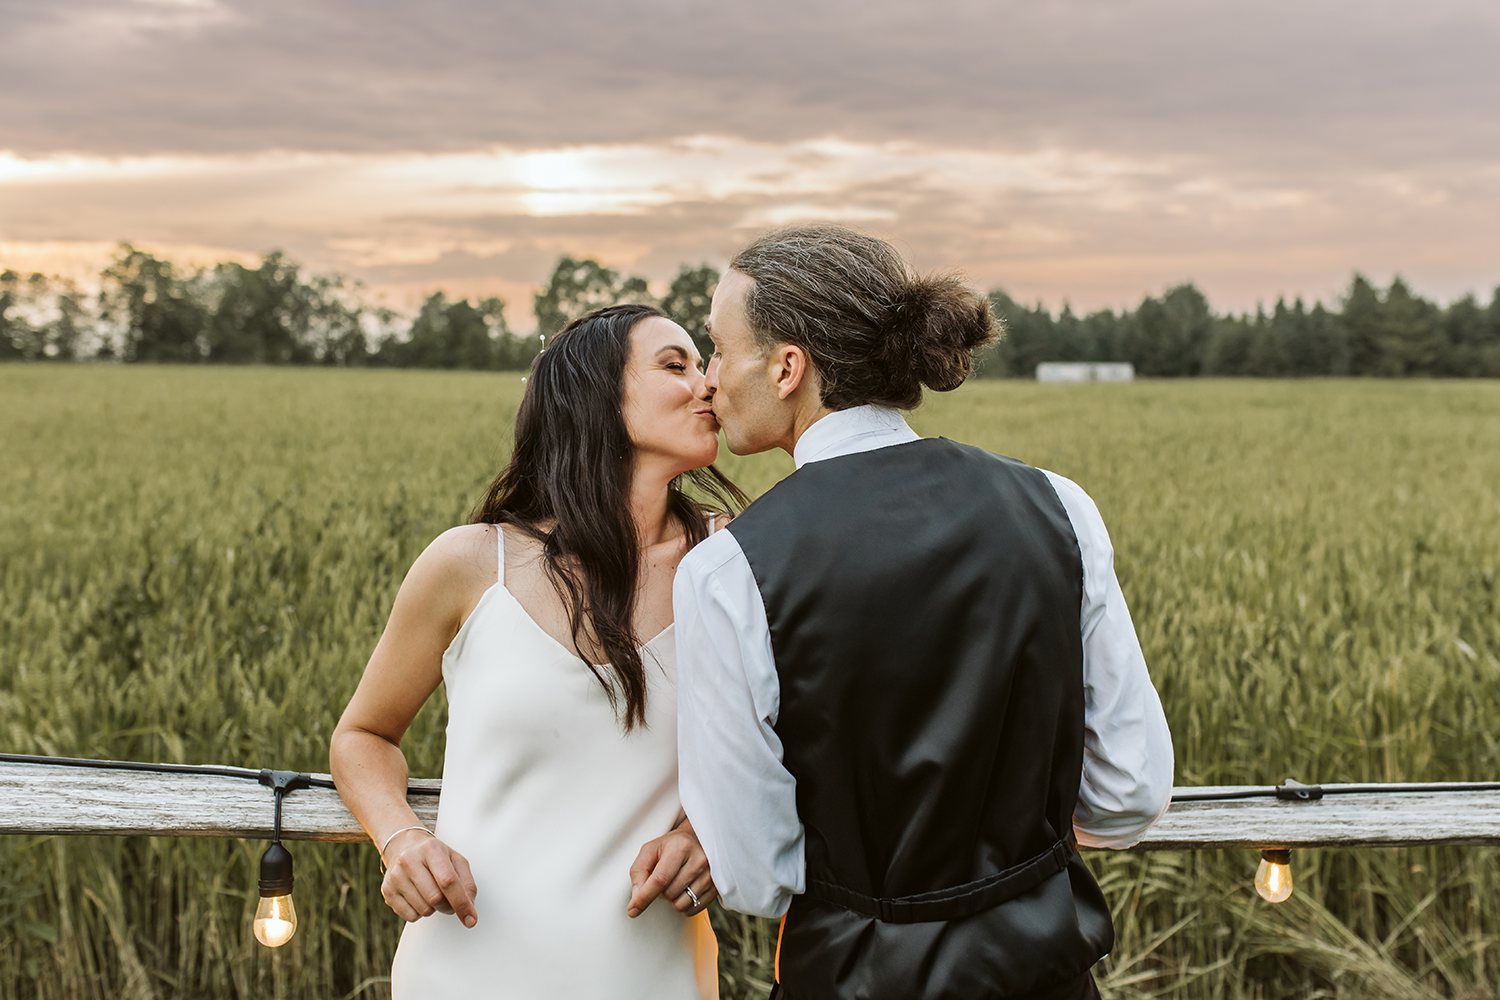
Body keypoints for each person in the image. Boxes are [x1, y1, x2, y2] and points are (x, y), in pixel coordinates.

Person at [674, 226, 1175, 1000]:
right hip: (1043, 976)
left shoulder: (729, 568)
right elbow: (1128, 794)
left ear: (786, 367)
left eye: (717, 348)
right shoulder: (1058, 506)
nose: (707, 379)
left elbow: (752, 874)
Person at [331, 304, 744, 999]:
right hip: (460, 973)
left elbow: (798, 738)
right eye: (675, 365)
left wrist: (711, 830)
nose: (707, 384)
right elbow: (363, 735)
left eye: (702, 364)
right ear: (595, 394)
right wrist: (402, 839)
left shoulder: (736, 561)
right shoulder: (469, 564)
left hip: (653, 978)